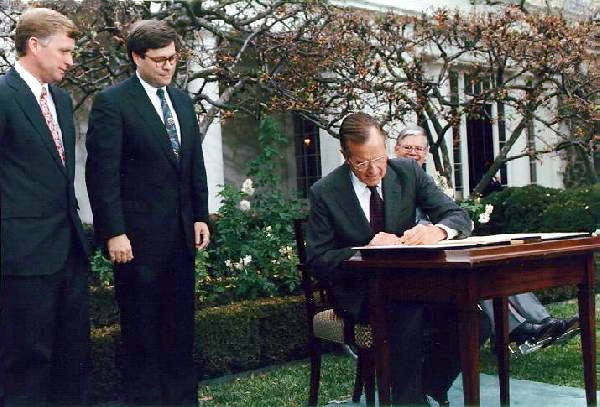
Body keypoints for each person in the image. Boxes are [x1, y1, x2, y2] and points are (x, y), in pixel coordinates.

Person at [305, 113, 489, 406]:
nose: (373, 170)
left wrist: (437, 231)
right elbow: (318, 258)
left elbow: (459, 216)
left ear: (387, 147)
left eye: (378, 158)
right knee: (407, 315)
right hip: (361, 291)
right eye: (361, 163)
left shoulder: (408, 173)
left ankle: (426, 389)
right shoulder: (326, 192)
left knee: (476, 320)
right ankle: (410, 401)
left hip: (415, 285)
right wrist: (364, 249)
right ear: (345, 155)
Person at [86, 20, 209, 406]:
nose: (168, 67)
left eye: (173, 58)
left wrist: (200, 215)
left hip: (180, 238)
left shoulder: (183, 101)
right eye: (159, 60)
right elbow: (101, 175)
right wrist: (113, 232)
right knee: (141, 333)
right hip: (136, 242)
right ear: (136, 57)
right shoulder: (113, 103)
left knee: (180, 331)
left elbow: (193, 165)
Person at [394, 125, 579, 351]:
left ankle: (543, 322)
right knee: (479, 273)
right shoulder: (391, 181)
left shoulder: (427, 181)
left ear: (426, 153)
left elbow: (452, 214)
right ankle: (515, 330)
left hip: (443, 247)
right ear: (396, 149)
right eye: (408, 148)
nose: (414, 153)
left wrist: (446, 227)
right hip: (414, 259)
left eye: (419, 148)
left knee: (498, 265)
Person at [0, 8, 91, 406]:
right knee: (26, 363)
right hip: (20, 257)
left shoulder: (60, 98)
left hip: (68, 252)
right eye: (65, 51)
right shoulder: (3, 98)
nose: (70, 61)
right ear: (34, 45)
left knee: (72, 361)